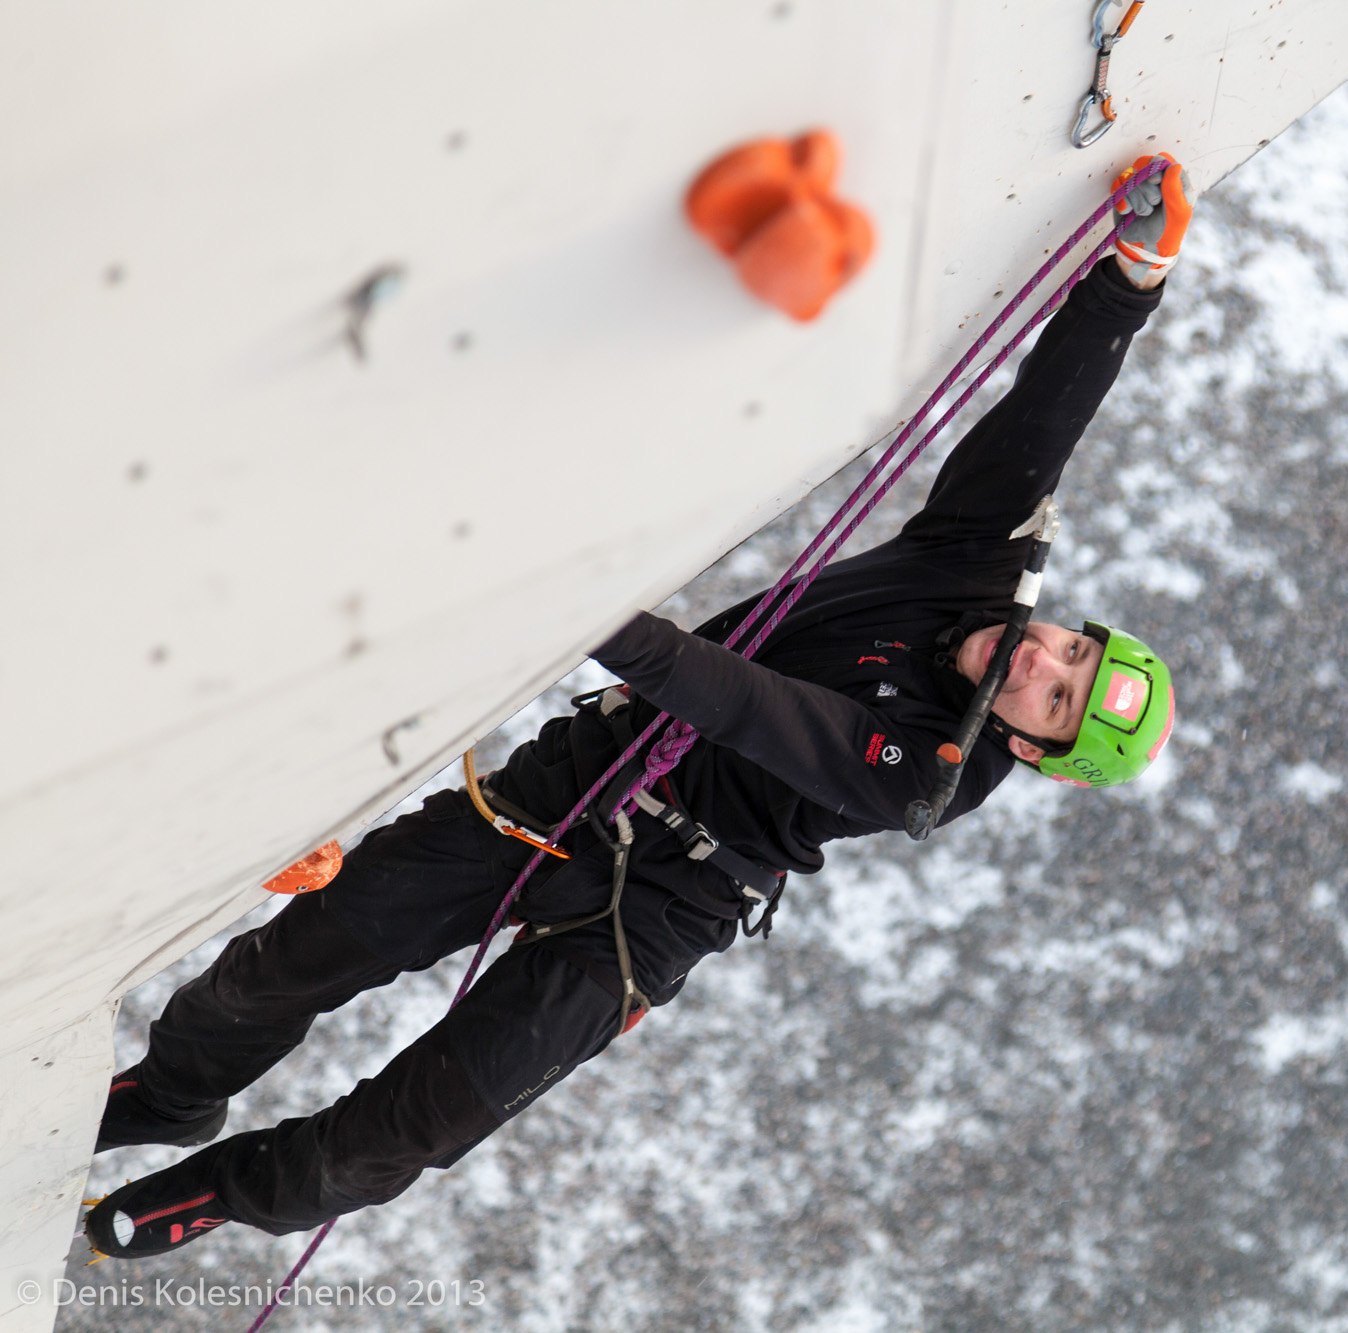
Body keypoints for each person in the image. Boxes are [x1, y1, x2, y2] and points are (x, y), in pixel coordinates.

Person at [84, 155, 1192, 1258]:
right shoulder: (975, 563)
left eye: (1053, 700)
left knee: (413, 1124)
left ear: (1030, 749)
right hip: (587, 781)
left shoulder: (927, 777)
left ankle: (229, 1192)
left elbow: (752, 710)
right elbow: (1039, 426)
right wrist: (1128, 280)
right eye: (1069, 653)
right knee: (300, 955)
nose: (1038, 661)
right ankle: (176, 1089)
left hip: (666, 905)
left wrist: (611, 625)